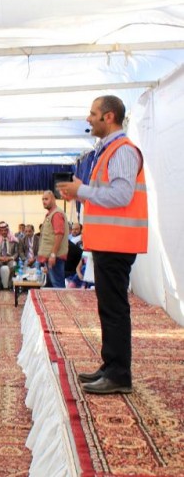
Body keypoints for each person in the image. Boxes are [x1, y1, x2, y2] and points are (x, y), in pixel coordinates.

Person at [57, 95, 147, 395]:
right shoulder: (107, 151)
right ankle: (111, 366)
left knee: (114, 309)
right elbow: (106, 192)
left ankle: (119, 373)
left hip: (118, 243)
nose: (88, 119)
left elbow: (121, 196)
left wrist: (83, 189)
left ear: (108, 117)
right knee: (108, 308)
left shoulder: (122, 151)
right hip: (109, 243)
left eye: (93, 114)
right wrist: (80, 193)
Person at [38, 191, 69, 288]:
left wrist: (53, 255)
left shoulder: (56, 214)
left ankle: (60, 303)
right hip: (51, 257)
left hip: (55, 257)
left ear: (53, 199)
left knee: (58, 286)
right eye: (43, 199)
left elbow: (59, 235)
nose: (44, 201)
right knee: (52, 285)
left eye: (46, 199)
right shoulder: (51, 214)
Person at [0, 222, 18, 290]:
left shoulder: (13, 239)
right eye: (2, 231)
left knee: (14, 266)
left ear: (8, 231)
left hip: (10, 259)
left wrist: (10, 258)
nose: (3, 232)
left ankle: (10, 285)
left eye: (5, 230)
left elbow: (17, 253)